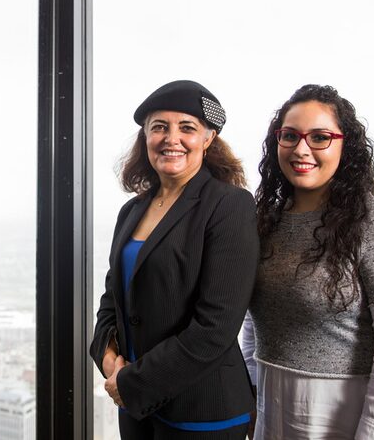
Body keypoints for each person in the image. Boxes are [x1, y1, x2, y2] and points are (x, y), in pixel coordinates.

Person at [242, 84, 374, 439]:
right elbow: (258, 324)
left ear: (347, 146)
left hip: (350, 418)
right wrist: (249, 397)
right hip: (276, 412)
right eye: (290, 136)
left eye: (320, 137)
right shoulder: (266, 221)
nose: (302, 149)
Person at [91, 80, 260, 440]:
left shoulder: (229, 205)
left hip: (202, 412)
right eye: (159, 127)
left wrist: (134, 381)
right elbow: (113, 300)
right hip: (137, 406)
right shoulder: (132, 211)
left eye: (187, 128)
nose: (172, 139)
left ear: (208, 138)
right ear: (145, 137)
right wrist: (108, 360)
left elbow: (216, 327)